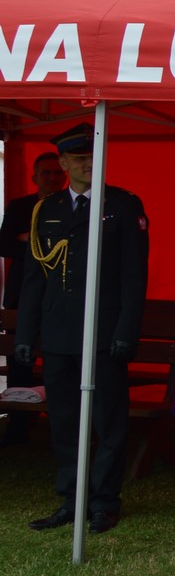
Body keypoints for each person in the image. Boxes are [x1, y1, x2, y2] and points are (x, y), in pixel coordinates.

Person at [15, 123, 149, 534]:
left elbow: (134, 276)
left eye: (93, 156)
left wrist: (126, 330)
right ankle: (72, 499)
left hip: (104, 333)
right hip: (59, 332)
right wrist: (25, 334)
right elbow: (35, 278)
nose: (88, 164)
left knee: (109, 421)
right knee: (64, 421)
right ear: (63, 163)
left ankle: (104, 501)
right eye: (78, 158)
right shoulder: (48, 208)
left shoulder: (122, 205)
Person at [1, 151, 66, 444]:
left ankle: (60, 425)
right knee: (19, 363)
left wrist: (29, 240)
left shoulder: (72, 206)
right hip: (20, 297)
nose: (51, 178)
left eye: (56, 172)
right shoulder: (20, 206)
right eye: (45, 173)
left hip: (60, 297)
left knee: (60, 361)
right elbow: (4, 244)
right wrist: (40, 245)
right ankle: (18, 426)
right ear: (34, 177)